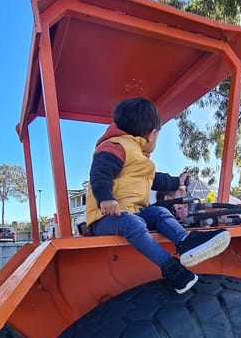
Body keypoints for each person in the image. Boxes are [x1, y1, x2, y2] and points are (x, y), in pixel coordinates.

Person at [85, 97, 230, 293]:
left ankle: (186, 242)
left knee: (159, 212)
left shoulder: (139, 158)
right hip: (105, 218)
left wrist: (177, 182)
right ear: (152, 134)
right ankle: (171, 268)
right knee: (134, 224)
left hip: (132, 212)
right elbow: (99, 172)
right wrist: (105, 198)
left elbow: (155, 179)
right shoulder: (115, 146)